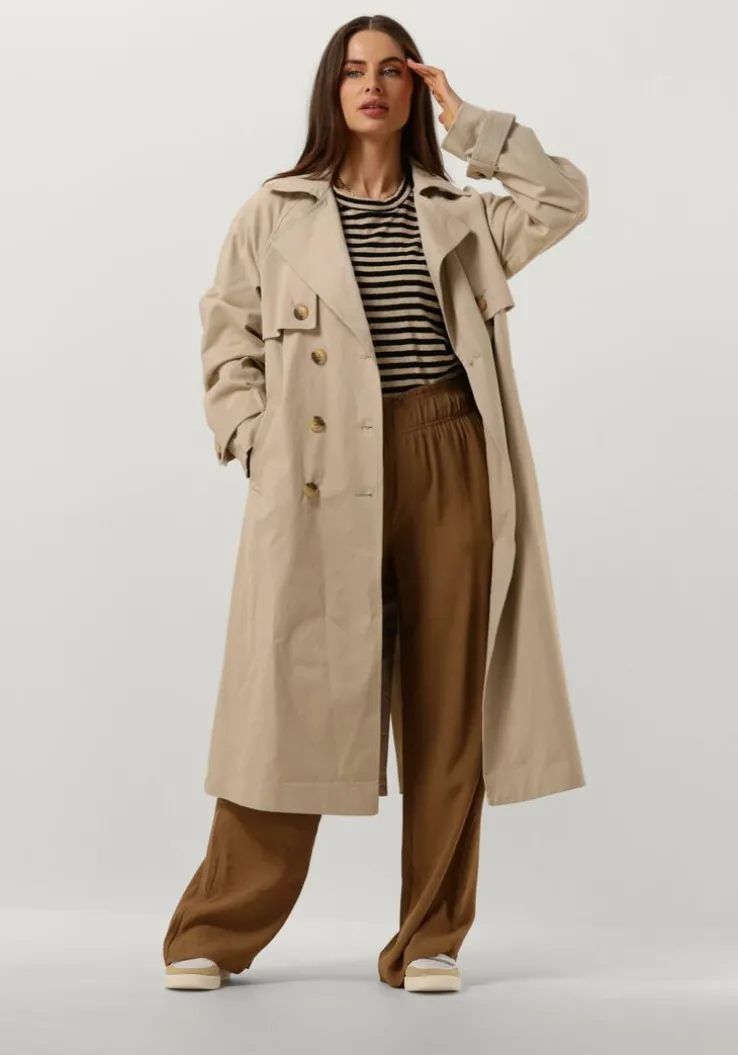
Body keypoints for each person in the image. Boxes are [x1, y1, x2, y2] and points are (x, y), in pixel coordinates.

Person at [162, 14, 588, 994]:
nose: (373, 85)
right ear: (331, 89)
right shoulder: (275, 210)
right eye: (355, 70)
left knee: (448, 700)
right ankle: (217, 927)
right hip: (315, 467)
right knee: (289, 697)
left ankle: (431, 933)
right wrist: (253, 437)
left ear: (413, 90)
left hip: (448, 451)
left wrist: (472, 124)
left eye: (393, 70)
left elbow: (563, 197)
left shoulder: (460, 210)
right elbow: (227, 330)